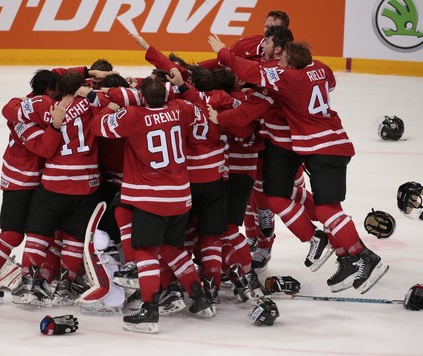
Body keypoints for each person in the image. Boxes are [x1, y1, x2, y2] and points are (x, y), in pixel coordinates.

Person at [208, 36, 389, 294]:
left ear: (291, 64)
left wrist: (224, 54)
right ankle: (346, 257)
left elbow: (254, 73)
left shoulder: (290, 79)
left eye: (282, 61)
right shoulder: (322, 68)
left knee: (327, 210)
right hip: (318, 146)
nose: (279, 64)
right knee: (299, 202)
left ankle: (364, 257)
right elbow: (329, 83)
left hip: (321, 147)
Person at [91, 68, 213, 334]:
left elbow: (98, 126)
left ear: (142, 98)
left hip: (151, 198)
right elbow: (201, 109)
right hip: (180, 195)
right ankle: (201, 299)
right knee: (172, 248)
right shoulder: (180, 108)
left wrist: (111, 105)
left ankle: (149, 311)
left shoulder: (134, 116)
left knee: (146, 252)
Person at [0, 69, 63, 305]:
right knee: (13, 233)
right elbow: (44, 149)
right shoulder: (25, 123)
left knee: (43, 231)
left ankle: (36, 279)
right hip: (21, 182)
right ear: (49, 91)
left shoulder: (29, 104)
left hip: (25, 179)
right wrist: (56, 127)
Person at [11, 70, 102, 305]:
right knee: (74, 236)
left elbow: (17, 119)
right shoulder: (92, 105)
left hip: (54, 182)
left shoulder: (51, 110)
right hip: (86, 184)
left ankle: (28, 283)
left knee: (39, 232)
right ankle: (65, 285)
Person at [199, 10, 290, 70]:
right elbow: (221, 62)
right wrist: (197, 67)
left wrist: (224, 53)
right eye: (267, 27)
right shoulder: (246, 43)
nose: (268, 31)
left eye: (274, 28)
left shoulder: (288, 57)